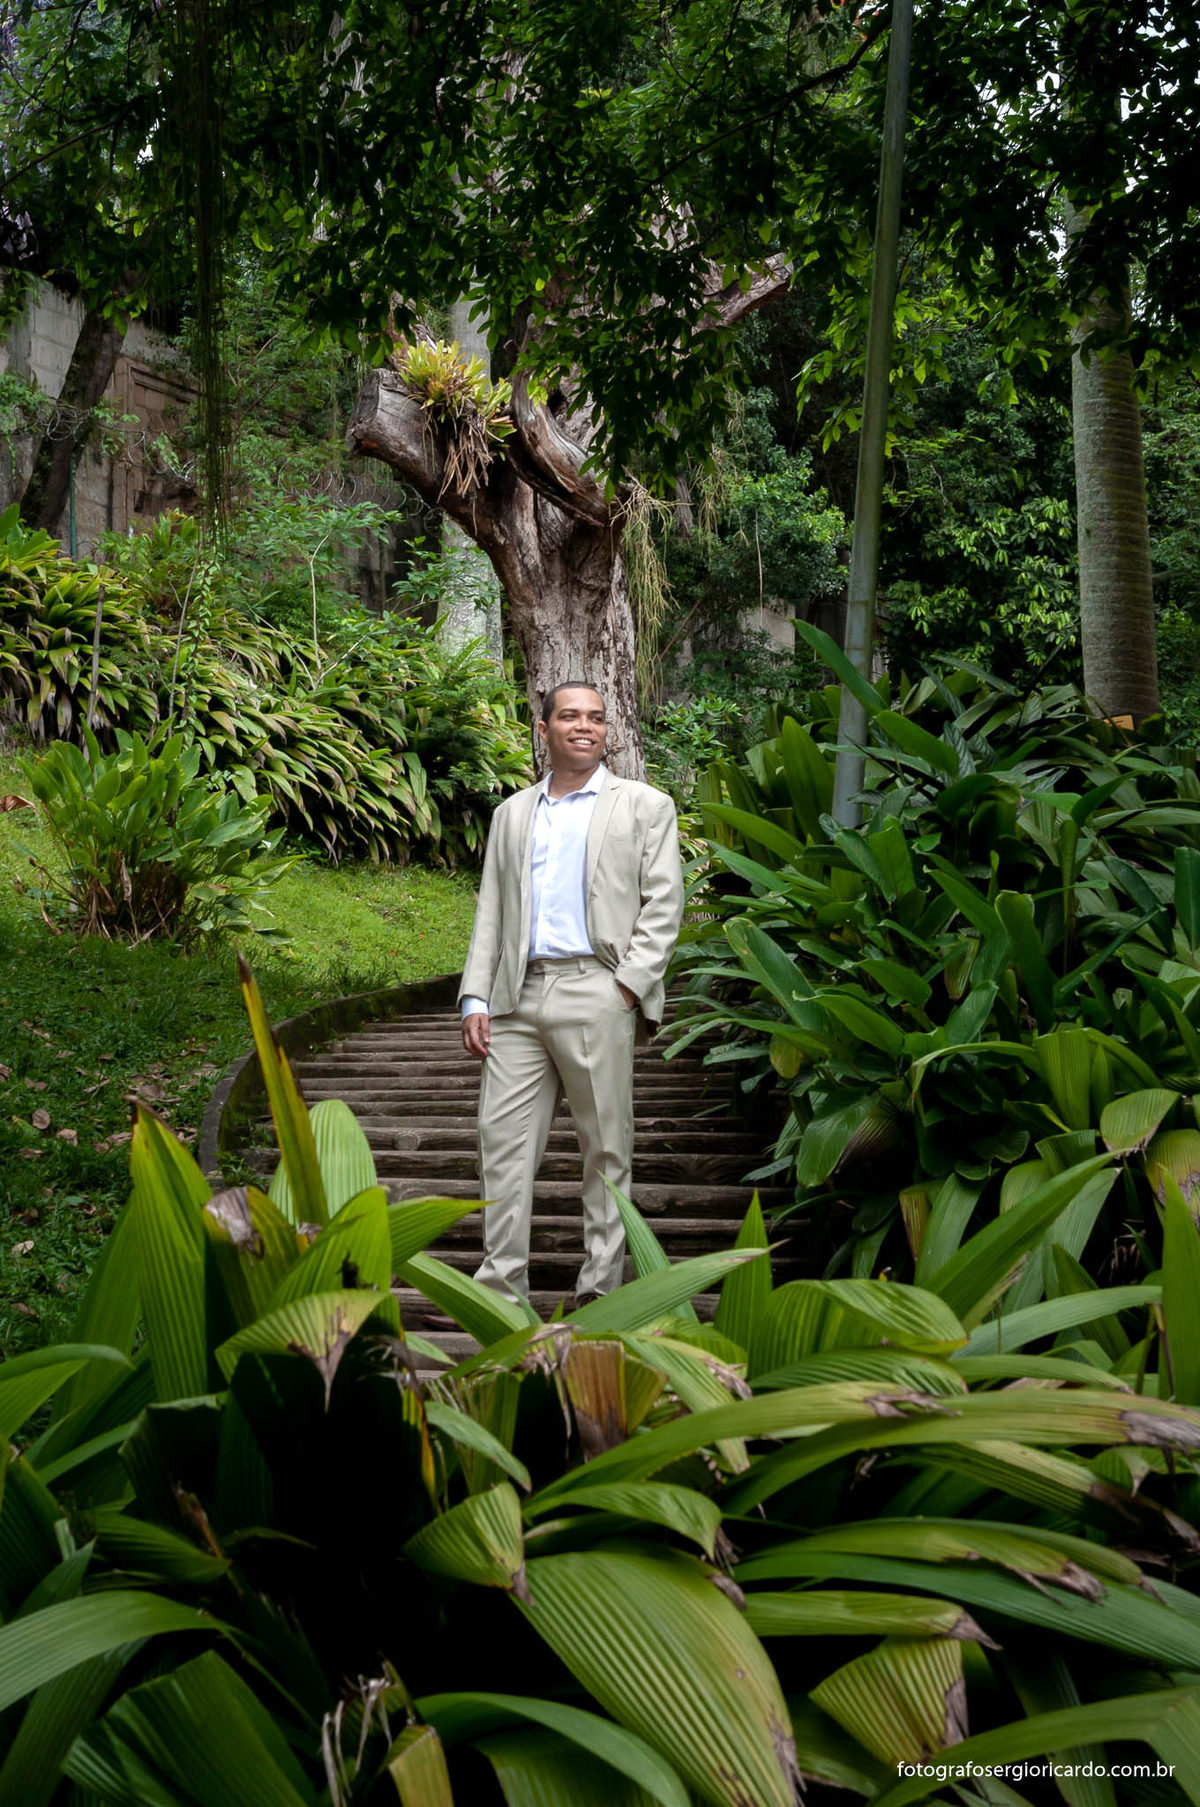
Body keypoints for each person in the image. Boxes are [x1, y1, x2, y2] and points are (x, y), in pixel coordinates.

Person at [459, 681, 684, 1308]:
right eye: (569, 716)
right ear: (544, 728)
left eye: (596, 718)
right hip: (516, 1000)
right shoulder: (512, 815)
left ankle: (600, 1291)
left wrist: (628, 987)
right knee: (500, 1146)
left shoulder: (644, 806)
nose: (584, 727)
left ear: (606, 730)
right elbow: (492, 912)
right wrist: (475, 998)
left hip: (598, 990)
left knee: (605, 1149)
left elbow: (665, 903)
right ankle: (501, 1293)